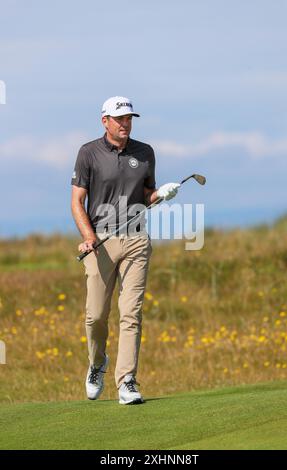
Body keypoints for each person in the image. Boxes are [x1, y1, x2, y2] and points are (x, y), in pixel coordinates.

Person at [71, 96, 180, 404]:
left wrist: (161, 194)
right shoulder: (88, 153)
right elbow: (77, 202)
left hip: (136, 240)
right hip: (100, 242)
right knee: (95, 316)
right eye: (119, 119)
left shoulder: (145, 153)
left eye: (129, 118)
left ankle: (127, 381)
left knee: (130, 312)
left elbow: (145, 196)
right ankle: (97, 363)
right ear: (104, 120)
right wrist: (88, 236)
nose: (125, 124)